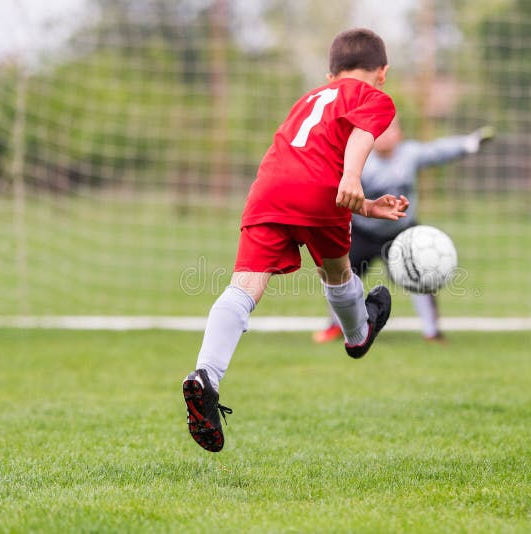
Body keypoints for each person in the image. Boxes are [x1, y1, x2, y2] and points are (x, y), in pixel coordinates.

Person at [182, 28, 410, 453]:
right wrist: (353, 175)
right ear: (382, 72)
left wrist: (367, 204)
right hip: (322, 192)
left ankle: (205, 377)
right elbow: (361, 136)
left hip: (268, 187)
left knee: (244, 287)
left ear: (330, 74)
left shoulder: (308, 99)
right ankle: (358, 334)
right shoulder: (374, 97)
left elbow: (308, 158)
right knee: (338, 271)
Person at [312, 118, 493, 343]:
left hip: (402, 232)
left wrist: (469, 143)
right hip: (363, 231)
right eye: (380, 131)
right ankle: (337, 325)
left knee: (423, 271)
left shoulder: (410, 154)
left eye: (391, 130)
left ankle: (432, 331)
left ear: (400, 134)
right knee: (340, 276)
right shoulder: (358, 162)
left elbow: (439, 151)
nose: (385, 135)